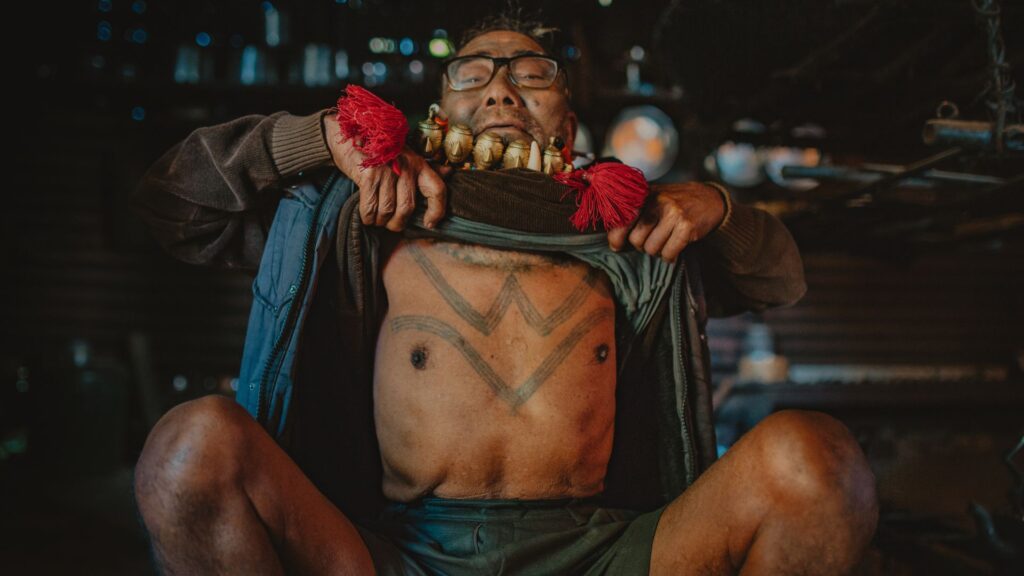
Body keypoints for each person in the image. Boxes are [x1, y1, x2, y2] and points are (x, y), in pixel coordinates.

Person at [131, 14, 877, 576]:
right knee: (187, 453)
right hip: (400, 553)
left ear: (571, 122)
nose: (500, 84)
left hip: (600, 551)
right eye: (474, 71)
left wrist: (718, 202)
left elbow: (781, 277)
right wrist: (322, 139)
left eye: (532, 71)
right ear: (439, 110)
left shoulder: (631, 228)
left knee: (817, 463)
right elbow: (170, 208)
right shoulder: (363, 212)